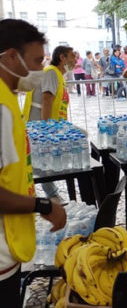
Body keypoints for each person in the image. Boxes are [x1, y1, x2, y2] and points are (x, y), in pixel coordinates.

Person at [0, 19, 66, 307]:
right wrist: (44, 206)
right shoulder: (1, 108)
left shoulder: (9, 99)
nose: (41, 70)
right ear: (11, 56)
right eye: (37, 61)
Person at [22, 45, 76, 205]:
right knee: (41, 159)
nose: (75, 60)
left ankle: (50, 195)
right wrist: (46, 128)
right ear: (62, 57)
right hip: (39, 124)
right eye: (72, 56)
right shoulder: (52, 72)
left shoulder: (56, 74)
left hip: (40, 124)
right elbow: (47, 99)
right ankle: (50, 195)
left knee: (40, 160)